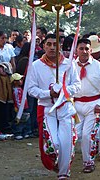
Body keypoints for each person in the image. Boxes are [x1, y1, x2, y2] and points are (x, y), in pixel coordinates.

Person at [27, 34, 81, 179]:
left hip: (65, 107)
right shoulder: (36, 65)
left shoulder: (69, 63)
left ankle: (64, 173)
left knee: (67, 142)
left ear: (60, 46)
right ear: (43, 46)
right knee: (54, 144)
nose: (52, 47)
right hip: (47, 109)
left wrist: (63, 91)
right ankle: (55, 163)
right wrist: (49, 93)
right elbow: (31, 89)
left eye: (55, 44)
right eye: (49, 44)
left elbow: (77, 85)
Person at [74, 38, 100, 173]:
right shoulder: (70, 66)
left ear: (91, 50)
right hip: (76, 105)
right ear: (76, 50)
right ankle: (63, 162)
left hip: (94, 105)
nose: (84, 51)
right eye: (81, 48)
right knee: (73, 134)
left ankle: (88, 161)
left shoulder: (98, 66)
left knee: (88, 134)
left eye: (87, 49)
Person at [11, 73, 31, 140]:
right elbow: (17, 99)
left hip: (24, 107)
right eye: (19, 80)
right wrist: (20, 107)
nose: (21, 81)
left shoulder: (20, 89)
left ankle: (25, 132)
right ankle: (18, 133)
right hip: (19, 108)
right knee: (18, 121)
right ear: (15, 82)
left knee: (25, 120)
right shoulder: (16, 90)